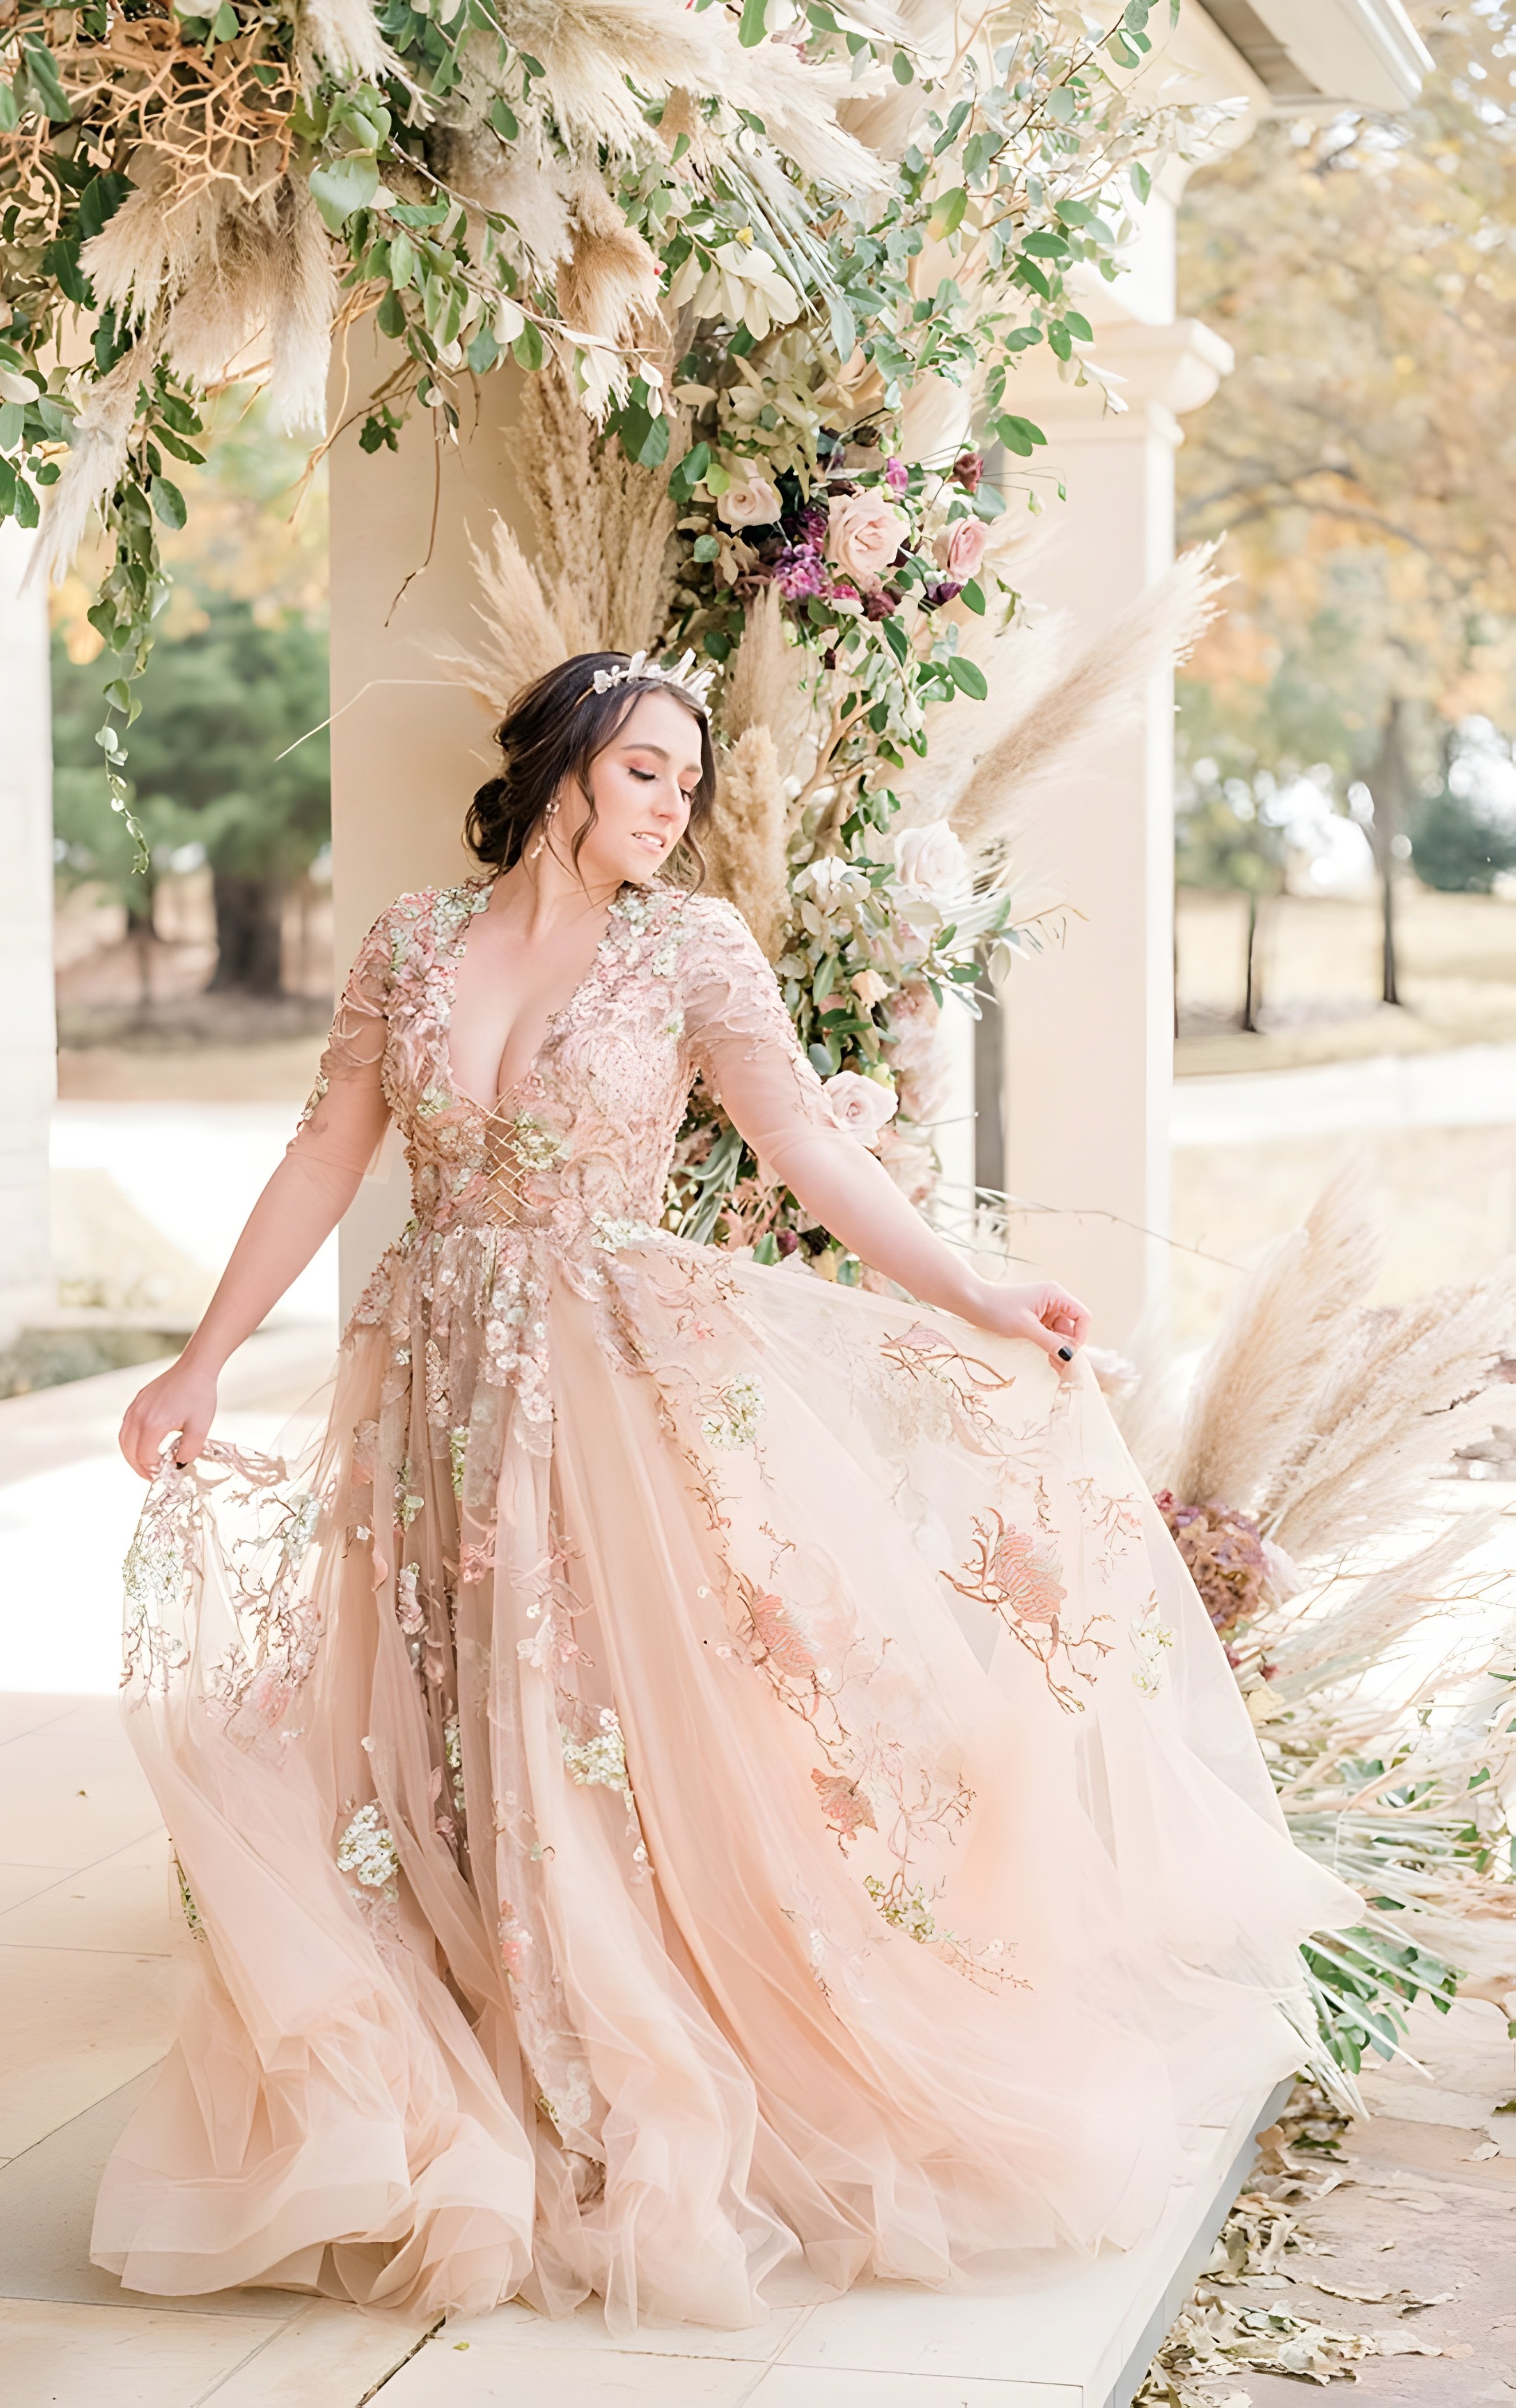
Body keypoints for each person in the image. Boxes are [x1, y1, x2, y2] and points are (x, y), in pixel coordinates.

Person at [95, 651, 1357, 2331]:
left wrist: (974, 1293)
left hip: (608, 1391)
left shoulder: (691, 947)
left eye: (689, 779)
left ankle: (619, 2055)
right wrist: (198, 1358)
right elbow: (327, 1152)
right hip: (430, 1381)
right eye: (646, 772)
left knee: (598, 1723)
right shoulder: (409, 942)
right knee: (431, 1718)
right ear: (558, 769)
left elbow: (808, 1155)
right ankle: (472, 2050)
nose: (675, 802)